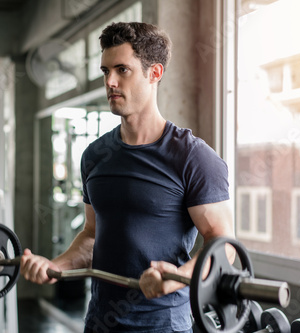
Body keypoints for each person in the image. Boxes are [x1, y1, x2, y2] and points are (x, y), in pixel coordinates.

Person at [20, 22, 234, 332]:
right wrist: (56, 266)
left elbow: (223, 244)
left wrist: (175, 279)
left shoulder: (193, 157)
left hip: (163, 325)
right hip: (100, 322)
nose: (111, 81)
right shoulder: (94, 156)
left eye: (123, 70)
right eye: (105, 71)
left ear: (154, 73)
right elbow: (92, 236)